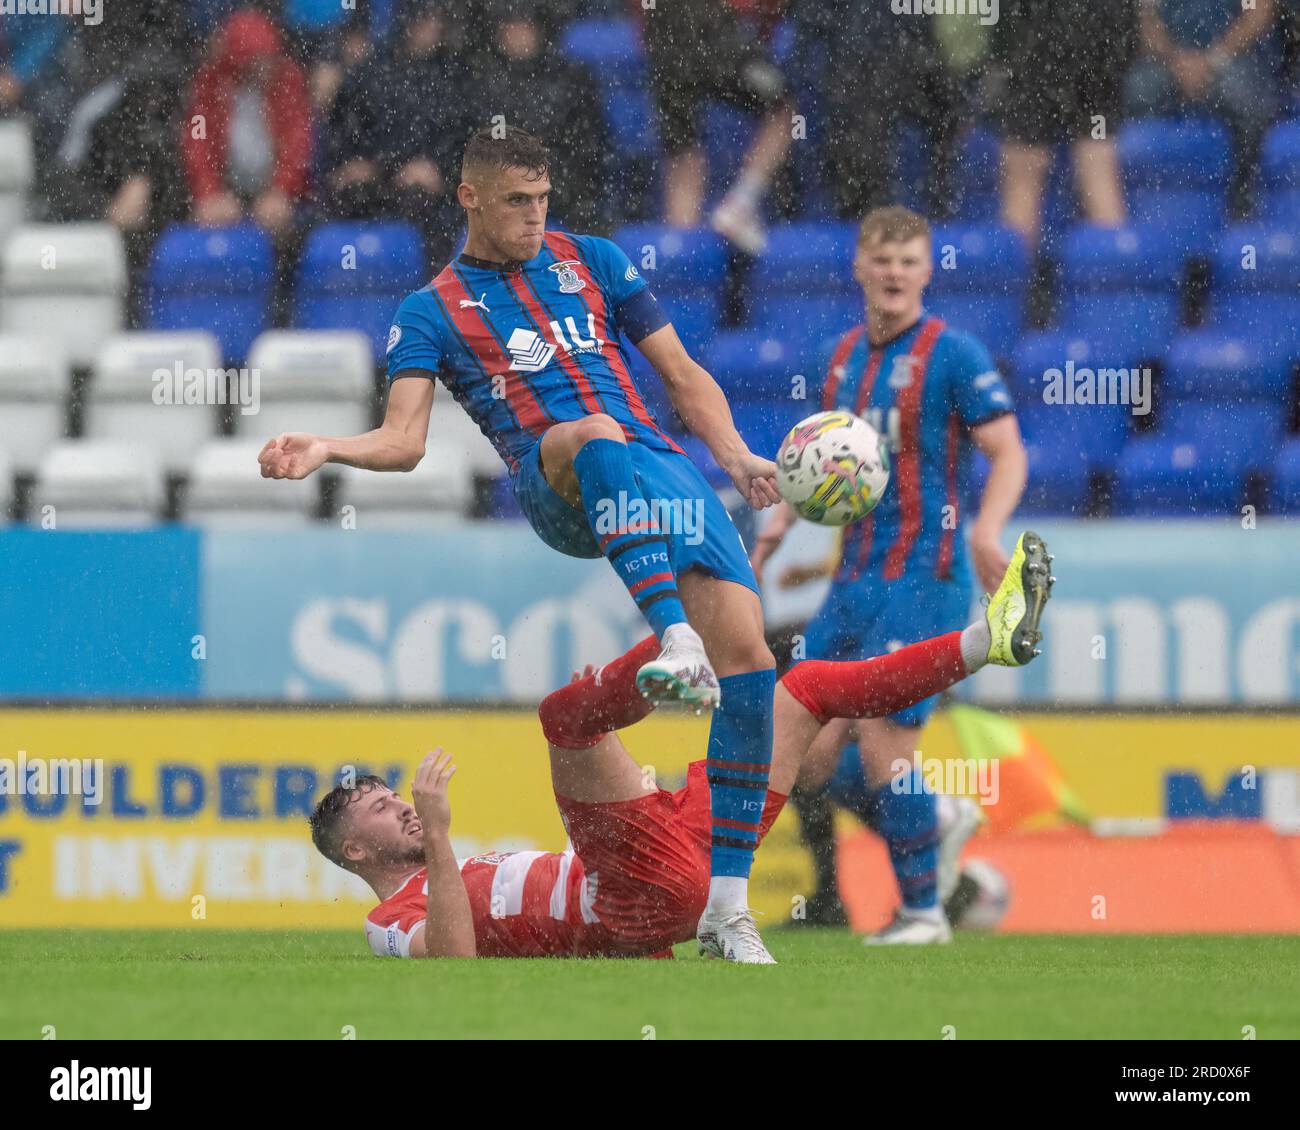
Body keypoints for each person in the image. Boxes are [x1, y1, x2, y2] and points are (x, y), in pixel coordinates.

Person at [260, 126, 783, 962]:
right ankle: (673, 637)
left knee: (753, 662)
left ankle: (726, 909)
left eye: (543, 200)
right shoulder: (429, 309)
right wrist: (327, 447)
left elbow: (682, 373)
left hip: (662, 471)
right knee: (592, 431)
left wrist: (735, 456)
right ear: (468, 197)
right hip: (559, 475)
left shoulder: (598, 261)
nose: (535, 217)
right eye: (515, 202)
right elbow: (404, 440)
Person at [308, 534, 1053, 959]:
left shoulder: (456, 872)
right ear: (355, 854)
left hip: (684, 853)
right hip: (643, 890)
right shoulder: (386, 922)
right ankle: (679, 643)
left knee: (807, 690)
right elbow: (453, 964)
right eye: (377, 810)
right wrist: (438, 834)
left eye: (392, 797)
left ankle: (984, 641)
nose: (400, 807)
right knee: (564, 719)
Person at [750, 205, 1029, 944]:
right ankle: (931, 816)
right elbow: (822, 466)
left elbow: (1008, 451)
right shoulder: (841, 358)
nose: (896, 273)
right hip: (852, 581)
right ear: (860, 268)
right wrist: (779, 520)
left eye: (909, 261)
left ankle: (923, 913)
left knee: (880, 737)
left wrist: (986, 528)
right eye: (883, 260)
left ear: (927, 269)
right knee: (805, 757)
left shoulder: (955, 353)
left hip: (926, 577)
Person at [641, 0, 794, 253]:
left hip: (664, 31)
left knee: (682, 154)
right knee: (782, 106)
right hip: (710, 24)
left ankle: (682, 259)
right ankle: (740, 205)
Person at [990, 0, 1136, 250]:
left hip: (1045, 42)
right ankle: (1114, 277)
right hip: (1088, 42)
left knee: (1036, 168)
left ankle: (1014, 280)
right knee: (1092, 162)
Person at [1126, 0, 1280, 218]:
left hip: (1233, 61)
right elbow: (1145, 19)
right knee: (1137, 90)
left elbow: (1257, 14)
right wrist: (1175, 60)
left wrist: (1212, 59)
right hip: (1169, 65)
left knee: (1244, 96)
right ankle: (1140, 211)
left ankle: (1242, 202)